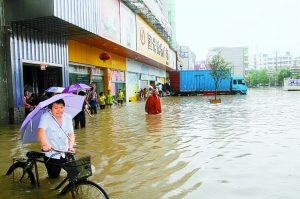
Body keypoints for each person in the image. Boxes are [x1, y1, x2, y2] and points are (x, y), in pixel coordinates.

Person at [37, 99, 75, 178]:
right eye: (56, 108)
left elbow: (71, 133)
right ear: (50, 108)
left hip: (65, 152)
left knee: (76, 174)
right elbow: (40, 130)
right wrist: (44, 144)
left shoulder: (68, 117)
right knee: (54, 178)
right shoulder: (45, 117)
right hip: (52, 154)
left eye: (61, 107)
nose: (59, 110)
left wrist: (70, 146)